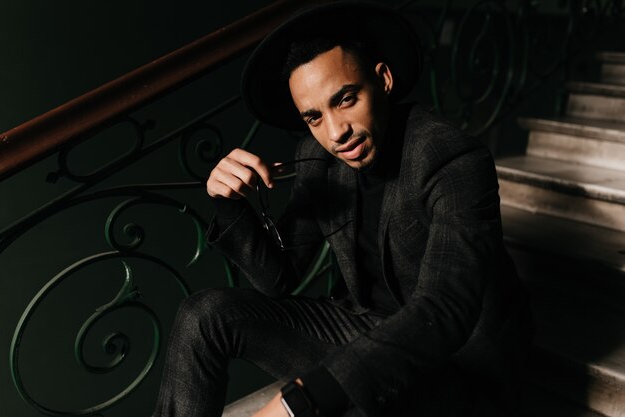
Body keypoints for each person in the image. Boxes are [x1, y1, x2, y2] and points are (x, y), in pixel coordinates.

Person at [153, 2, 533, 417]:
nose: (336, 133)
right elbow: (277, 279)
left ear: (383, 80)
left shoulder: (451, 158)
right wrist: (227, 202)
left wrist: (298, 399)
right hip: (364, 329)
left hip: (455, 366)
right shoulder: (320, 160)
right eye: (314, 117)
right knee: (203, 317)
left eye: (346, 99)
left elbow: (445, 310)